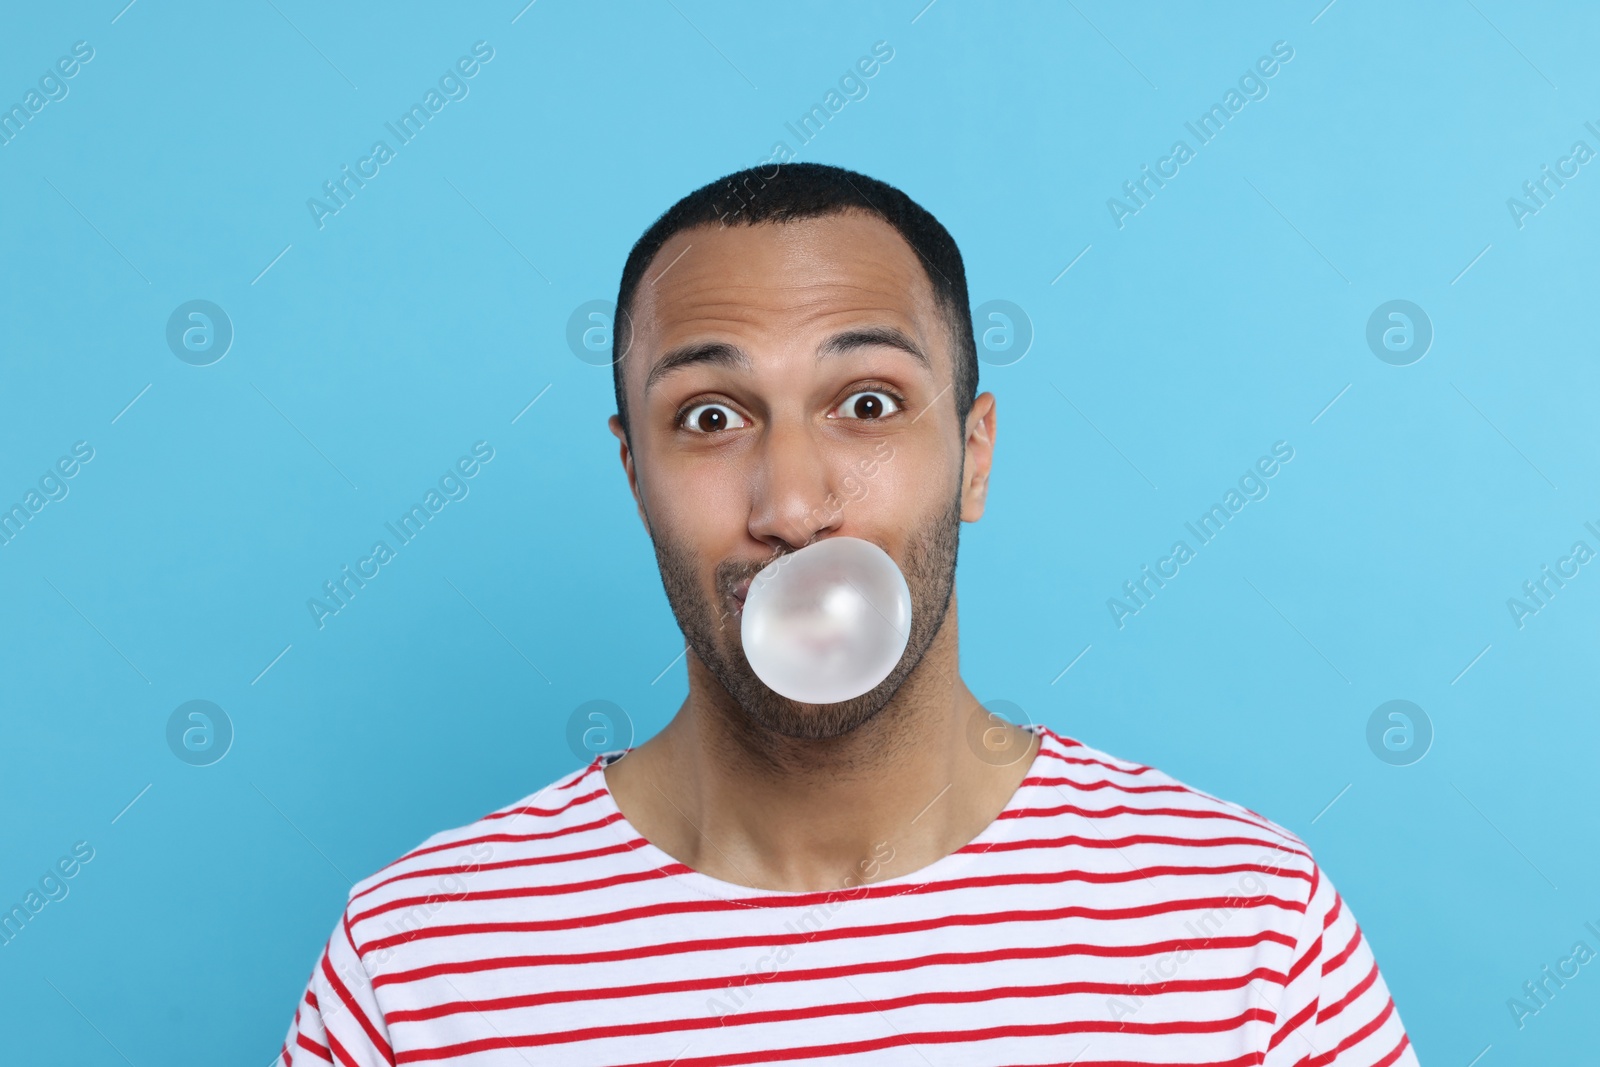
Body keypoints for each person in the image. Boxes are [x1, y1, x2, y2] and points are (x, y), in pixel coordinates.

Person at [278, 162, 1418, 1066]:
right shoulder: (420, 958)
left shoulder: (1245, 927)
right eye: (712, 416)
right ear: (634, 476)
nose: (792, 504)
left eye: (866, 403)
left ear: (972, 457)